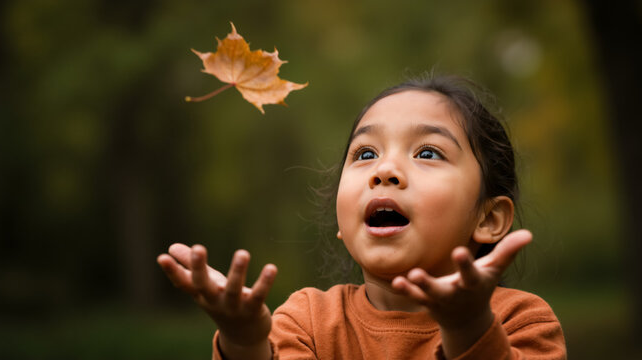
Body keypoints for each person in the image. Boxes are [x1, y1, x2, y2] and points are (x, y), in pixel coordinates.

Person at [157, 75, 567, 359]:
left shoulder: (523, 322)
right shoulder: (308, 323)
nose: (382, 170)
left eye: (427, 153)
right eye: (365, 153)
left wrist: (469, 328)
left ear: (489, 218)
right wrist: (244, 342)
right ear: (342, 220)